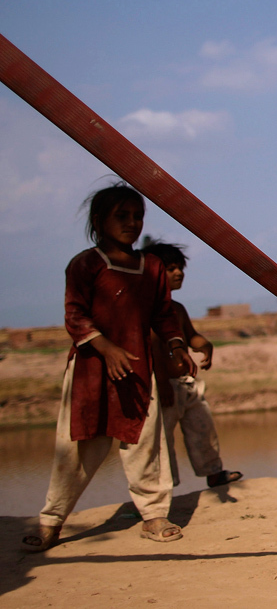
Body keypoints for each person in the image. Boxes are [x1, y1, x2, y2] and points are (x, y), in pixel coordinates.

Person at [22, 183, 195, 552]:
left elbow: (164, 315)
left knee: (146, 444)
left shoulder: (151, 267)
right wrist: (107, 348)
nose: (132, 223)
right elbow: (75, 315)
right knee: (75, 449)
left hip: (137, 372)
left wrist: (177, 345)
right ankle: (51, 521)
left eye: (137, 217)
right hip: (92, 373)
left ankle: (153, 515)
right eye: (122, 216)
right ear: (100, 221)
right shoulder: (86, 265)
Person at [142, 240, 242, 489]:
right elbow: (152, 346)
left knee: (202, 427)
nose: (178, 273)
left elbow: (190, 335)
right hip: (161, 387)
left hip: (186, 384)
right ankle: (164, 485)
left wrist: (205, 345)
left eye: (180, 268)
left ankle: (214, 472)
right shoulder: (146, 310)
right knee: (162, 440)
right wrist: (163, 382)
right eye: (171, 268)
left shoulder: (176, 309)